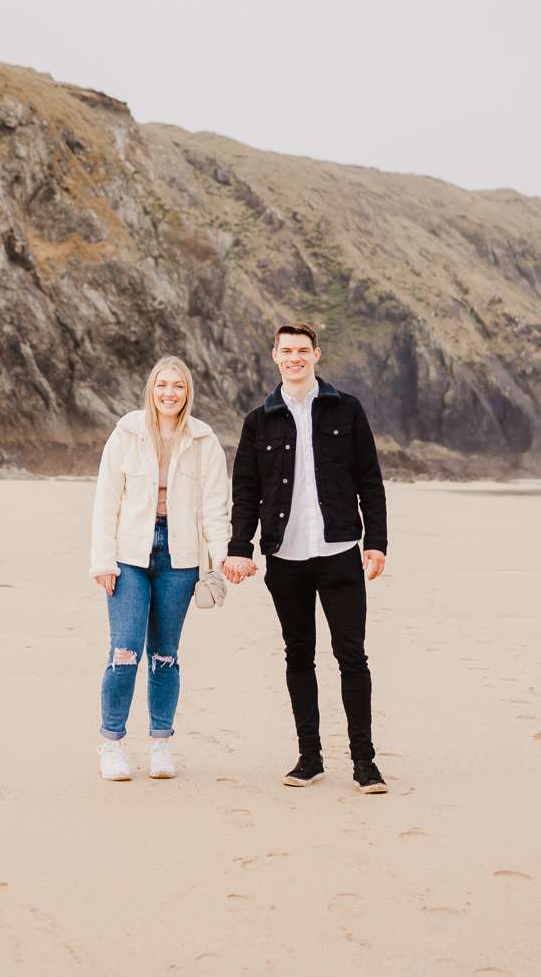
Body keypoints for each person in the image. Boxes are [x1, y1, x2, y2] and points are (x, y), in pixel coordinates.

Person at [222, 321, 390, 794]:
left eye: (303, 350)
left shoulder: (347, 410)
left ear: (317, 355)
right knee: (298, 655)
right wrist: (240, 548)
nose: (295, 358)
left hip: (339, 552)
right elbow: (247, 490)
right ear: (275, 356)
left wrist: (376, 542)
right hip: (286, 556)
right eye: (286, 351)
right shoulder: (259, 420)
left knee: (351, 657)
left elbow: (369, 481)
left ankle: (365, 763)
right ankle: (309, 758)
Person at [89, 355, 232, 781]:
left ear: (188, 393)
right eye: (162, 385)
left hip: (180, 557)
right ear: (151, 389)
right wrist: (102, 559)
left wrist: (222, 560)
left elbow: (214, 508)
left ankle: (159, 745)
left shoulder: (204, 440)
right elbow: (106, 500)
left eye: (179, 386)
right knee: (125, 651)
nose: (170, 393)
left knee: (165, 655)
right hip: (129, 556)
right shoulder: (127, 433)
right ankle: (111, 745)